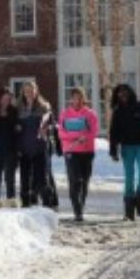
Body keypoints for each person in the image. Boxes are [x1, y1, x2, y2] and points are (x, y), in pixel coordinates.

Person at [109, 84, 140, 221]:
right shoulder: (117, 112)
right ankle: (129, 210)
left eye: (125, 93)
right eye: (120, 94)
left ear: (130, 93)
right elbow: (114, 133)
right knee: (129, 178)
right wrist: (113, 150)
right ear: (117, 96)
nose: (123, 96)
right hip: (126, 147)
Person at [58, 87, 99, 222]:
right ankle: (77, 211)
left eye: (79, 97)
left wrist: (76, 135)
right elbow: (61, 134)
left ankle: (81, 206)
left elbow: (92, 133)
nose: (77, 100)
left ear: (84, 98)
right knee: (75, 180)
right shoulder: (65, 114)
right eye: (74, 97)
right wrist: (77, 135)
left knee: (84, 182)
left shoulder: (90, 114)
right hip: (70, 151)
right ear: (70, 99)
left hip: (87, 152)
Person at [17, 81, 53, 208]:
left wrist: (47, 128)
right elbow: (15, 127)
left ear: (35, 91)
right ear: (23, 92)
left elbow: (51, 125)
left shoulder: (44, 107)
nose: (29, 92)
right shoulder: (18, 108)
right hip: (24, 150)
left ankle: (48, 205)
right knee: (24, 181)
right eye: (26, 90)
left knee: (41, 179)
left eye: (31, 90)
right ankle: (26, 205)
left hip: (39, 148)